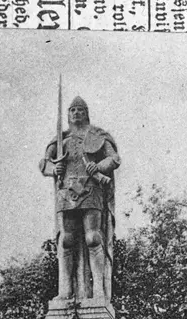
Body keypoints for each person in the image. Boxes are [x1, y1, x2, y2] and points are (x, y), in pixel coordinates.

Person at [39, 96, 120, 303]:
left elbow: (114, 159)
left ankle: (99, 291)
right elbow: (45, 162)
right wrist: (53, 169)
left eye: (80, 110)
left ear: (86, 113)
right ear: (67, 114)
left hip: (91, 189)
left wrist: (99, 166)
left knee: (93, 238)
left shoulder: (97, 136)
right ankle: (65, 290)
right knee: (66, 240)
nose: (76, 113)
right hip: (67, 191)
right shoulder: (60, 139)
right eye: (72, 110)